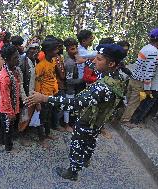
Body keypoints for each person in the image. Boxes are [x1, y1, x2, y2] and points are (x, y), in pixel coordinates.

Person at [25, 44, 126, 181]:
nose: (94, 61)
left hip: (87, 120)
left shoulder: (103, 87)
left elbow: (74, 103)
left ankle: (72, 172)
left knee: (77, 145)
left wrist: (44, 98)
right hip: (97, 120)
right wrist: (86, 61)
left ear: (112, 63)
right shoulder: (117, 76)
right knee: (90, 141)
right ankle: (85, 159)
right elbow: (95, 67)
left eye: (99, 59)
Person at [121, 27, 158, 128]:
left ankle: (124, 116)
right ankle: (125, 120)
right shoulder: (154, 53)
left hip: (134, 78)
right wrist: (147, 89)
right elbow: (149, 72)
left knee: (130, 99)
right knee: (134, 103)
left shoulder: (146, 47)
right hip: (140, 82)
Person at [35, 38, 59, 147]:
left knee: (48, 116)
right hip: (42, 96)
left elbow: (52, 77)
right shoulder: (40, 66)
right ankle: (41, 138)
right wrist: (38, 101)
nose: (57, 51)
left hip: (51, 95)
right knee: (42, 118)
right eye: (55, 49)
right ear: (48, 51)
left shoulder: (53, 61)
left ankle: (48, 133)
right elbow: (37, 83)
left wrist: (55, 90)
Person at [0, 44, 20, 152]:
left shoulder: (12, 70)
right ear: (7, 59)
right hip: (7, 109)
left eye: (17, 56)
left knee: (5, 127)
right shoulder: (4, 77)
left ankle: (1, 141)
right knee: (8, 129)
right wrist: (10, 113)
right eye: (15, 58)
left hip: (10, 106)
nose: (17, 59)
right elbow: (5, 97)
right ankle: (8, 148)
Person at [63, 38, 82, 132]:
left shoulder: (73, 58)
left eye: (75, 48)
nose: (75, 51)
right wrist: (82, 80)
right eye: (72, 49)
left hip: (73, 88)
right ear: (67, 50)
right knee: (68, 107)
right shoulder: (70, 63)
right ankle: (66, 125)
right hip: (69, 89)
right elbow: (69, 80)